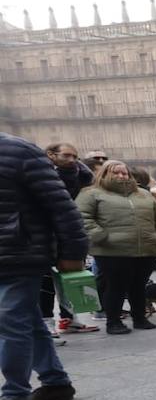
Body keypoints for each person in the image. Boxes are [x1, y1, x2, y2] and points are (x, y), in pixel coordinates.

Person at [0, 133, 89, 400]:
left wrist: (73, 253)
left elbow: (62, 207)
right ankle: (56, 382)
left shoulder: (19, 151)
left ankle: (16, 398)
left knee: (10, 319)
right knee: (26, 318)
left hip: (21, 251)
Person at [76, 160, 156, 333]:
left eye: (124, 173)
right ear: (104, 174)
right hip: (112, 250)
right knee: (116, 286)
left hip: (146, 249)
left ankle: (140, 318)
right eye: (116, 172)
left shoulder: (143, 194)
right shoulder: (91, 193)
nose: (121, 176)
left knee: (138, 285)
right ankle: (113, 322)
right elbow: (82, 218)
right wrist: (100, 236)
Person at [40, 143, 99, 334]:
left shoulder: (82, 176)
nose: (72, 160)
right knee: (46, 280)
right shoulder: (40, 173)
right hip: (45, 232)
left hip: (70, 231)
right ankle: (47, 322)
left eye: (75, 156)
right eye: (66, 155)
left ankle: (69, 318)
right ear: (51, 155)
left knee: (71, 277)